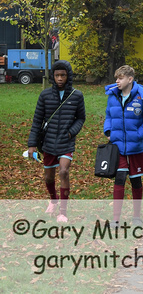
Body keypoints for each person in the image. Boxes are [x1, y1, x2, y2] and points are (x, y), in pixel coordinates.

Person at [27, 60, 85, 223]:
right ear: (53, 76)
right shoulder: (45, 95)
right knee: (49, 178)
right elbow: (37, 120)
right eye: (57, 75)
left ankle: (63, 212)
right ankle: (53, 200)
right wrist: (32, 144)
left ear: (68, 76)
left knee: (64, 172)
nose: (60, 78)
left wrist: (71, 133)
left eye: (63, 75)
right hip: (49, 142)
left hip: (66, 142)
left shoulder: (77, 95)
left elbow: (81, 118)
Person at [104, 65, 143, 227]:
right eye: (116, 79)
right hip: (118, 147)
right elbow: (108, 115)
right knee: (119, 178)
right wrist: (108, 131)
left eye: (120, 78)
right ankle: (116, 219)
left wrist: (138, 135)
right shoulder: (113, 95)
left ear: (130, 79)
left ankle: (136, 217)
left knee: (135, 181)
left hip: (136, 148)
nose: (117, 81)